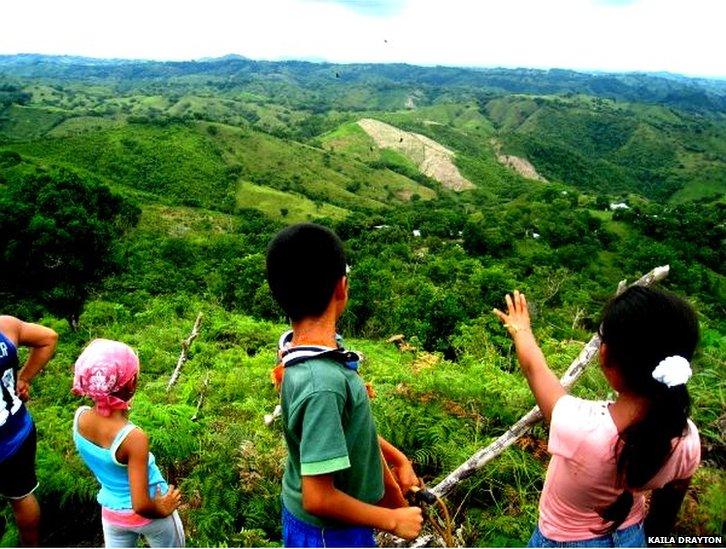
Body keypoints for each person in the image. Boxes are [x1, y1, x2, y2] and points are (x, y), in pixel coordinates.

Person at [494, 286, 700, 547]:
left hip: (564, 541)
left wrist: (520, 329)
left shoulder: (581, 427)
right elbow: (669, 503)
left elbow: (535, 369)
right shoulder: (686, 436)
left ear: (606, 356)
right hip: (633, 537)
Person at [266, 223, 423, 547]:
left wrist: (398, 459)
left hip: (325, 524)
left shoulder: (301, 354)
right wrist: (392, 519)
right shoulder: (322, 384)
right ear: (342, 288)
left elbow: (344, 429)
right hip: (329, 533)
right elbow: (319, 498)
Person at [72, 338, 185, 548]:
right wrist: (163, 508)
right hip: (150, 514)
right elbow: (140, 504)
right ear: (132, 384)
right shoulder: (133, 437)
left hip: (112, 515)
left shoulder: (80, 419)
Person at [0, 315, 57, 547]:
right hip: (16, 431)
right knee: (22, 496)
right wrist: (23, 379)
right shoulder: (5, 326)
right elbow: (48, 338)